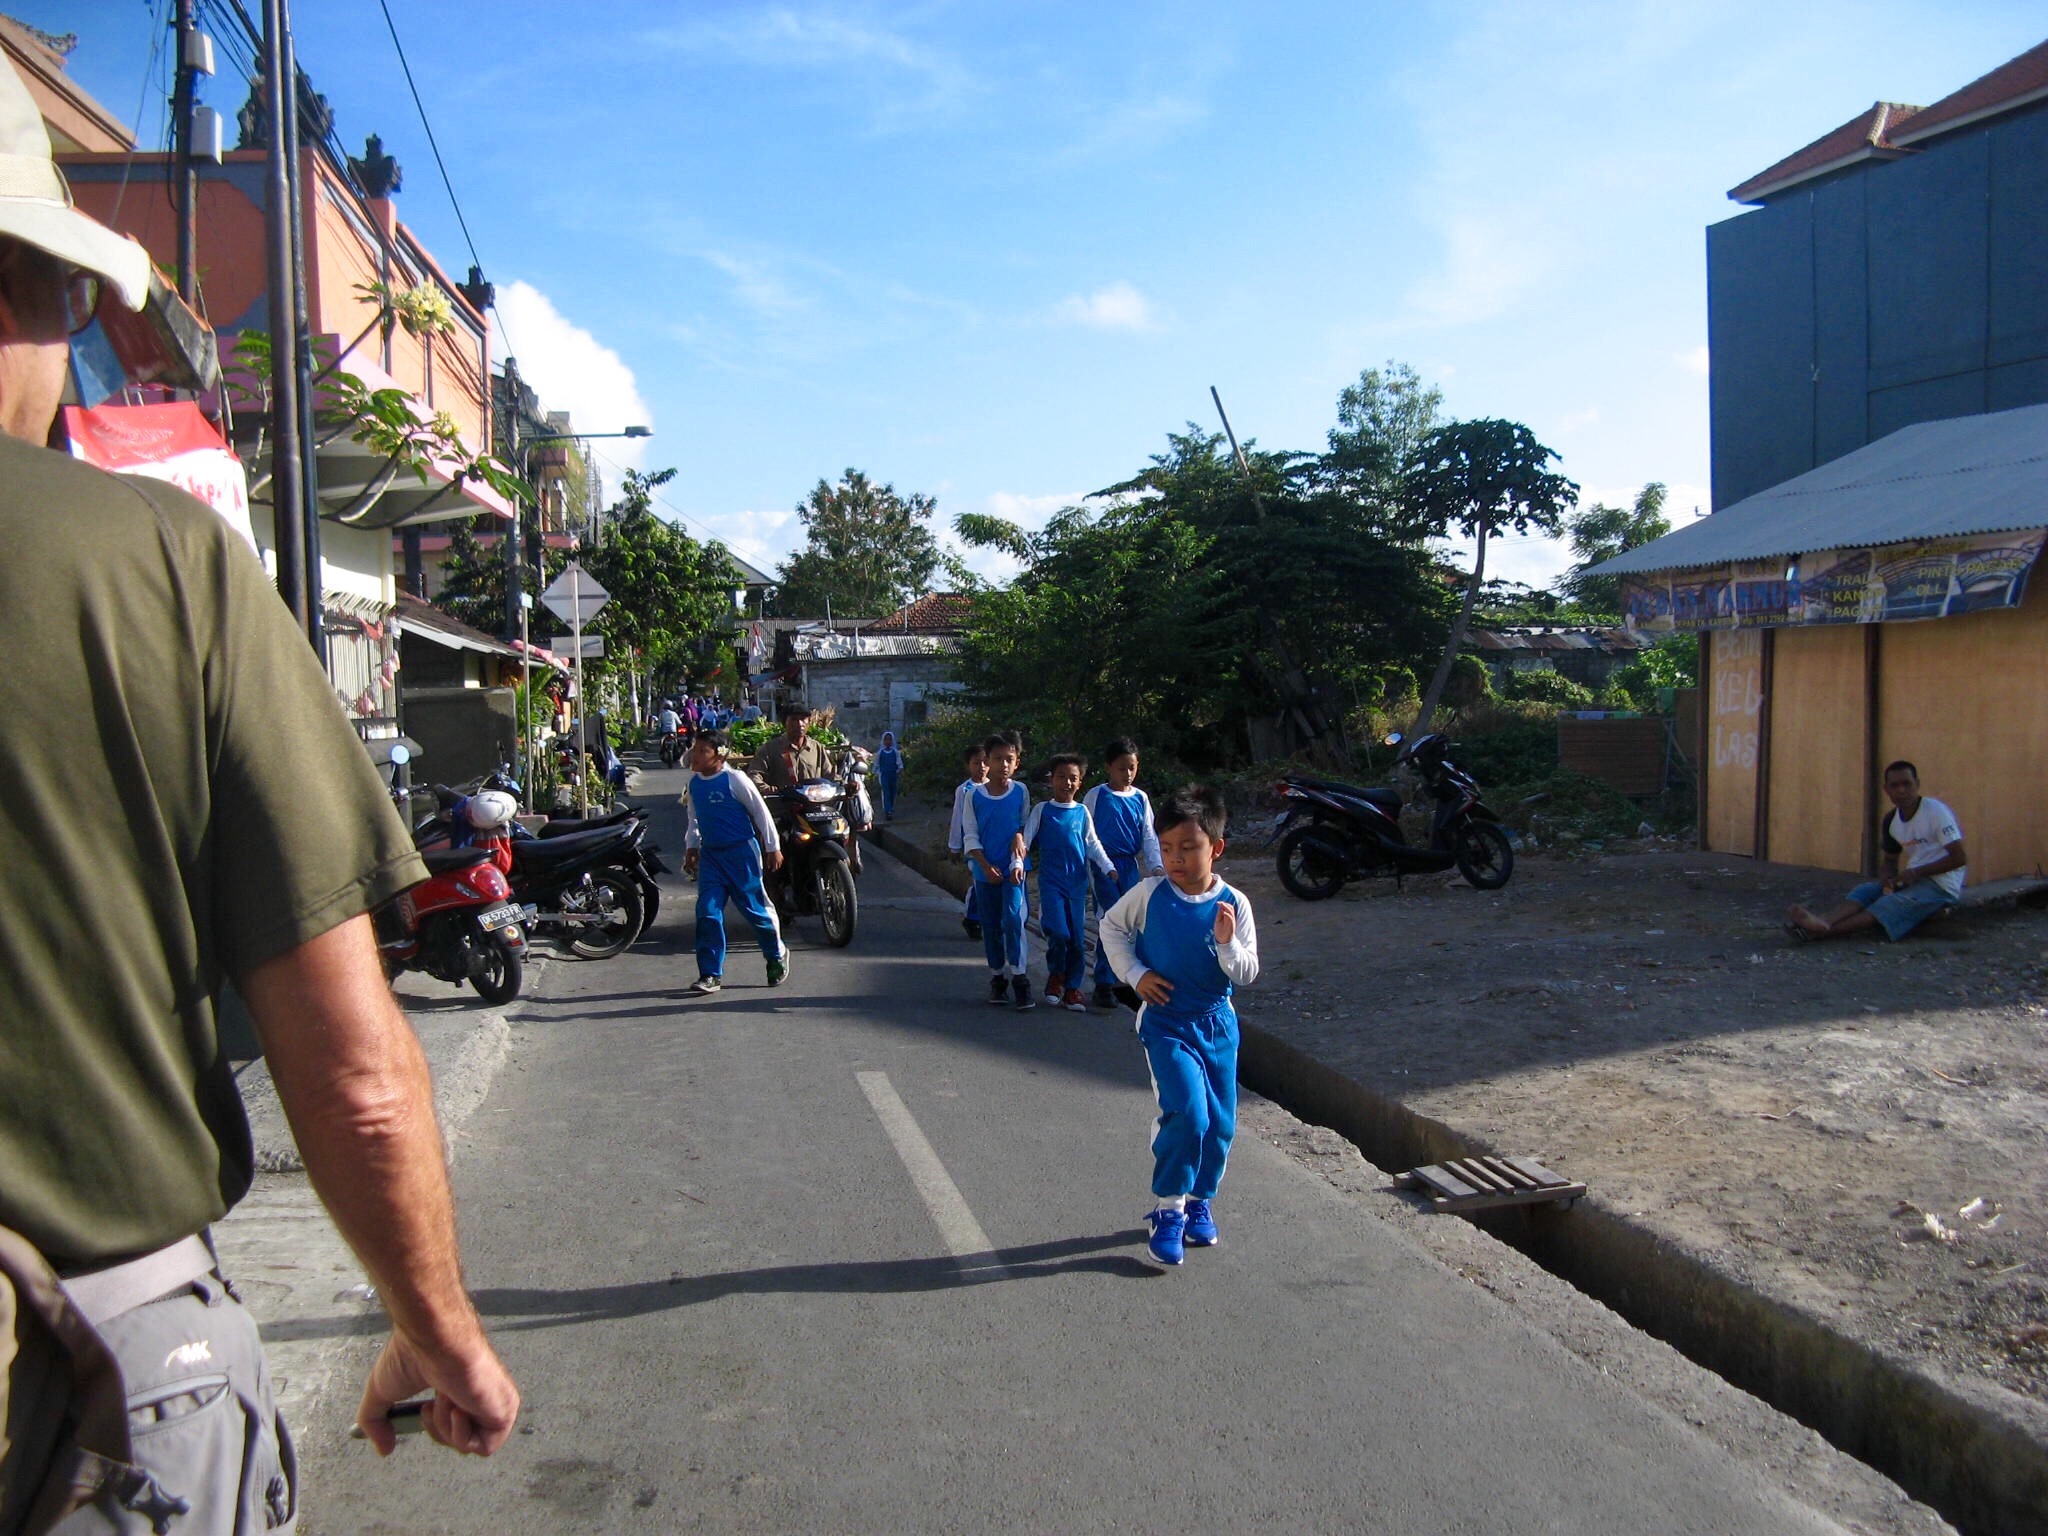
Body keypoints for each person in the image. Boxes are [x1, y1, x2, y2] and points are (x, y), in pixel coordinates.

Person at [0, 54, 517, 1530]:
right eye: (70, 308)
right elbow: (354, 1073)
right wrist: (436, 1329)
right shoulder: (156, 563)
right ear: (28, 289)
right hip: (85, 1382)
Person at [1099, 785, 1260, 1266]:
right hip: (1166, 1023)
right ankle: (1169, 1209)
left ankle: (1199, 1201)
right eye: (1167, 848)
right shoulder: (1149, 895)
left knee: (1220, 1126)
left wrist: (1228, 944)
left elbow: (1247, 972)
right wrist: (1135, 974)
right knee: (1189, 1115)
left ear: (1216, 847)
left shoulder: (1234, 903)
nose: (1175, 859)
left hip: (1217, 1025)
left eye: (1188, 848)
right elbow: (1111, 927)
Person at [1787, 761, 1967, 942]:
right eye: (1895, 786)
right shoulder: (1891, 820)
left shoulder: (1936, 812)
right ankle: (1825, 921)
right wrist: (1887, 879)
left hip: (1941, 886)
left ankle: (1820, 932)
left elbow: (1959, 858)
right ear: (1886, 789)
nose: (1902, 790)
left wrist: (1915, 873)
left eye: (1907, 784)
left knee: (1889, 904)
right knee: (1865, 891)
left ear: (1917, 784)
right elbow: (1890, 860)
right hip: (1912, 879)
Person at [681, 730, 789, 993]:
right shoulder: (694, 784)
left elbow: (760, 812)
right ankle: (710, 974)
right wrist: (691, 846)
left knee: (756, 911)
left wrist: (773, 847)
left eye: (703, 751)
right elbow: (693, 819)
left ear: (720, 755)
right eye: (695, 749)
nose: (695, 756)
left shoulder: (735, 779)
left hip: (742, 854)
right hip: (711, 857)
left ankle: (776, 955)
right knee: (707, 912)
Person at [1021, 754, 1118, 1012]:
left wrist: (1108, 866)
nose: (1067, 783)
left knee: (1076, 939)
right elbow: (1026, 840)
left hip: (1076, 884)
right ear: (1051, 779)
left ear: (1080, 782)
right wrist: (1018, 863)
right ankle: (1056, 975)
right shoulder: (1042, 810)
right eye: (1061, 777)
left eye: (1072, 778)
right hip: (1051, 882)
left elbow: (1093, 844)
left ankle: (1072, 989)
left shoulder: (1082, 812)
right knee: (1059, 932)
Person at [1083, 738, 1165, 1009]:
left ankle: (1130, 978)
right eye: (1122, 768)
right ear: (1109, 767)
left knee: (1133, 921)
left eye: (1132, 767)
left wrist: (1156, 865)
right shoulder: (1096, 796)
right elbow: (1085, 833)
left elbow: (1149, 835)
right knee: (1110, 919)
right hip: (1102, 866)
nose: (1128, 773)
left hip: (1129, 866)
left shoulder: (1140, 798)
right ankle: (1103, 983)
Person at [963, 734, 1033, 1009]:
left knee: (1014, 920)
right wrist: (984, 865)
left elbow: (1024, 825)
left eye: (1009, 759)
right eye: (997, 759)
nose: (1003, 764)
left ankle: (1020, 978)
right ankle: (997, 978)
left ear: (1017, 762)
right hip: (985, 872)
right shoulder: (973, 796)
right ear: (987, 762)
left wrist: (1018, 848)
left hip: (1014, 870)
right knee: (991, 925)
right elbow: (971, 835)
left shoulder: (1021, 791)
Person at [758, 704, 861, 876]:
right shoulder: (770, 749)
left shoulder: (817, 748)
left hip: (816, 810)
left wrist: (845, 785)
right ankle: (776, 884)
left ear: (809, 722)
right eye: (794, 719)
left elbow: (831, 774)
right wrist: (768, 789)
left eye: (803, 719)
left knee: (840, 828)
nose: (799, 724)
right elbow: (755, 775)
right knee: (776, 846)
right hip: (785, 811)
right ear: (785, 723)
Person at [948, 742, 987, 940]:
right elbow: (957, 818)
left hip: (993, 844)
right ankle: (972, 918)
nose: (981, 767)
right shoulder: (964, 790)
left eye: (985, 762)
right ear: (968, 765)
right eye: (976, 763)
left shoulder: (997, 787)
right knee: (979, 880)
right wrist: (954, 846)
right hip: (972, 845)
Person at [876, 730, 904, 821]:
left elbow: (899, 764)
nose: (888, 741)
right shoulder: (880, 753)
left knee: (892, 792)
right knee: (886, 792)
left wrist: (900, 771)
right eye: (886, 739)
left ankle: (891, 808)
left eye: (889, 739)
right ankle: (888, 811)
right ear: (883, 741)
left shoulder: (895, 752)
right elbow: (876, 765)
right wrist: (877, 774)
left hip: (893, 775)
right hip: (884, 775)